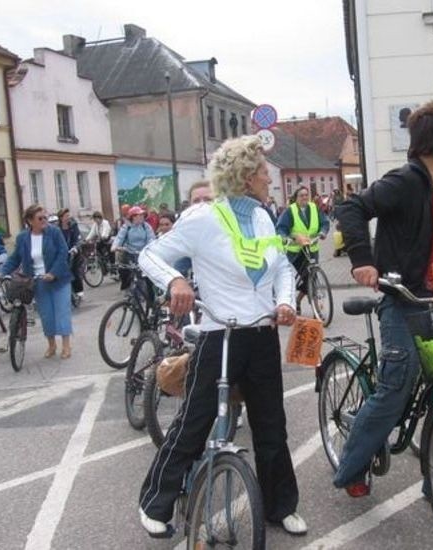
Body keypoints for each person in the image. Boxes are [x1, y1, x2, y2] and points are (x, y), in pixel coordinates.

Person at [137, 135, 307, 537]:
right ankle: (155, 504)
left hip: (262, 334)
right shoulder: (204, 218)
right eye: (265, 171)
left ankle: (281, 506)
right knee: (194, 423)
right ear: (247, 176)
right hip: (221, 335)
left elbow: (281, 266)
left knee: (272, 427)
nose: (270, 177)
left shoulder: (265, 216)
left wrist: (285, 301)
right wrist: (176, 279)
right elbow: (151, 255)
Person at [334, 100, 433, 497]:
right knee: (397, 387)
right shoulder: (406, 181)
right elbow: (352, 208)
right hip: (406, 298)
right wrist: (362, 261)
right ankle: (351, 469)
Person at [1, 204, 73, 358]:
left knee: (62, 312)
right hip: (37, 281)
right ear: (30, 221)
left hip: (59, 279)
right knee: (46, 315)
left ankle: (66, 346)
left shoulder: (54, 232)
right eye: (40, 218)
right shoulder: (23, 238)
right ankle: (51, 344)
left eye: (45, 217)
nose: (44, 220)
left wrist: (53, 273)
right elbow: (15, 258)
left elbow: (63, 253)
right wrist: (2, 272)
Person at [276, 185, 330, 314]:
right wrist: (288, 237)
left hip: (311, 248)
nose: (305, 197)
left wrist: (322, 232)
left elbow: (324, 222)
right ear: (296, 198)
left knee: (311, 276)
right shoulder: (290, 211)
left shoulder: (314, 208)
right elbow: (281, 228)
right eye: (301, 195)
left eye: (306, 195)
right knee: (305, 278)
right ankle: (314, 308)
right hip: (296, 251)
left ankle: (303, 302)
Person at [111, 205, 155, 291]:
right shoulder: (127, 227)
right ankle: (128, 293)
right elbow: (119, 237)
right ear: (133, 217)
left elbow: (151, 238)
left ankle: (146, 295)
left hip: (143, 253)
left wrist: (149, 248)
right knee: (125, 272)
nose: (142, 217)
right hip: (129, 253)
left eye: (142, 215)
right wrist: (115, 246)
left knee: (143, 276)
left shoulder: (145, 226)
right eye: (139, 215)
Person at [57, 208, 84, 299]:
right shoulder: (57, 228)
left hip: (74, 251)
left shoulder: (73, 225)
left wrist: (75, 247)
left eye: (68, 215)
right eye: (66, 216)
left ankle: (79, 290)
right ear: (61, 218)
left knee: (74, 270)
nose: (68, 217)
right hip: (63, 252)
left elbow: (77, 238)